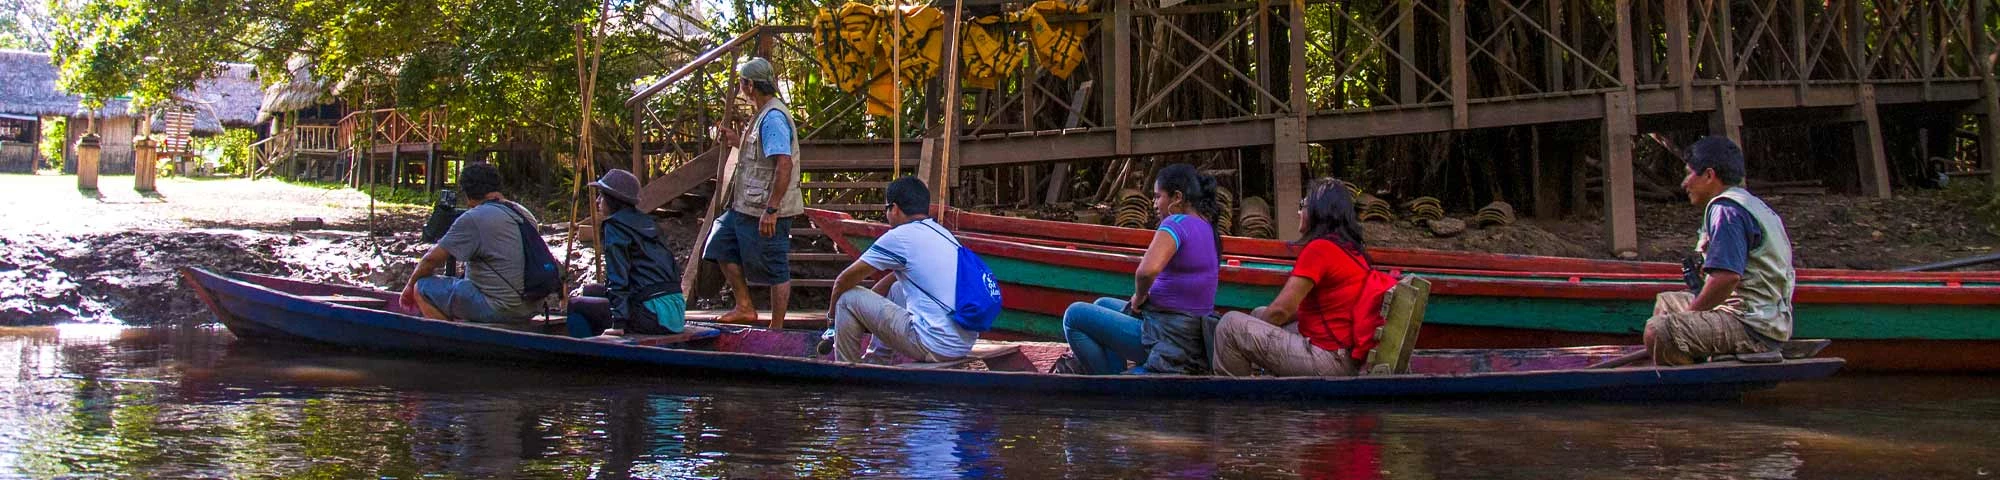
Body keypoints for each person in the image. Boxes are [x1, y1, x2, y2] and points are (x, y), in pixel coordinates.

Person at [1210, 178, 1397, 377]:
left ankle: (1241, 399)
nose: (1299, 212)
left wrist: (1255, 331)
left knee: (1229, 326)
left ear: (1318, 211)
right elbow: (1310, 308)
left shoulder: (1319, 249)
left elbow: (1280, 312)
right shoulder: (1352, 251)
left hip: (1329, 361)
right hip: (1344, 354)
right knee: (1257, 314)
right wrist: (1257, 325)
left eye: (1303, 205)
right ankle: (1260, 375)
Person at [1645, 136, 1796, 366]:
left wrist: (1689, 316)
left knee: (1657, 331)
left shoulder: (1726, 211)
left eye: (1689, 173)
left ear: (1709, 175)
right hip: (1764, 317)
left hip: (1751, 325)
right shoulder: (1750, 203)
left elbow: (1726, 278)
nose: (1685, 183)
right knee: (1666, 303)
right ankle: (1691, 357)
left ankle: (1692, 379)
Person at [1059, 164, 1222, 375]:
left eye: (1157, 196)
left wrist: (1139, 297)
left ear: (1177, 198)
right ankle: (1116, 373)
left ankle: (1109, 384)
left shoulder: (1176, 222)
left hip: (1168, 337)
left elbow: (1146, 272)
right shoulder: (1206, 226)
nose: (1154, 204)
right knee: (1102, 304)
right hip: (1190, 333)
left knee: (1073, 315)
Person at [822, 177, 979, 363]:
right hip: (962, 343)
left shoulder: (899, 237)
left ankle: (845, 369)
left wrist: (832, 319)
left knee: (847, 298)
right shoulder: (942, 233)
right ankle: (876, 360)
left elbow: (843, 281)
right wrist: (866, 312)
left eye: (886, 209)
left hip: (935, 344)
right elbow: (887, 285)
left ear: (895, 208)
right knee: (897, 288)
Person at [705, 57, 805, 329]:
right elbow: (761, 154)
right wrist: (736, 141)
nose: (740, 88)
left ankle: (777, 327)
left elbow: (784, 163)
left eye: (741, 83)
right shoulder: (761, 114)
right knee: (720, 242)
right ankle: (745, 306)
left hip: (766, 207)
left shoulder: (772, 118)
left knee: (775, 266)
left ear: (749, 85)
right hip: (744, 205)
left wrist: (772, 209)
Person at [401, 162, 547, 323]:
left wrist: (409, 286)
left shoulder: (475, 217)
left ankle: (450, 341)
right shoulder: (523, 212)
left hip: (502, 308)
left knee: (422, 288)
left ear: (467, 194)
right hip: (532, 307)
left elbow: (430, 260)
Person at [565, 169, 687, 338]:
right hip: (674, 311)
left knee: (575, 304)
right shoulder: (647, 222)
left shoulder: (615, 226)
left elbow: (618, 277)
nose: (598, 201)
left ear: (613, 200)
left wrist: (618, 323)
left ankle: (587, 354)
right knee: (590, 290)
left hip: (652, 315)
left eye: (602, 195)